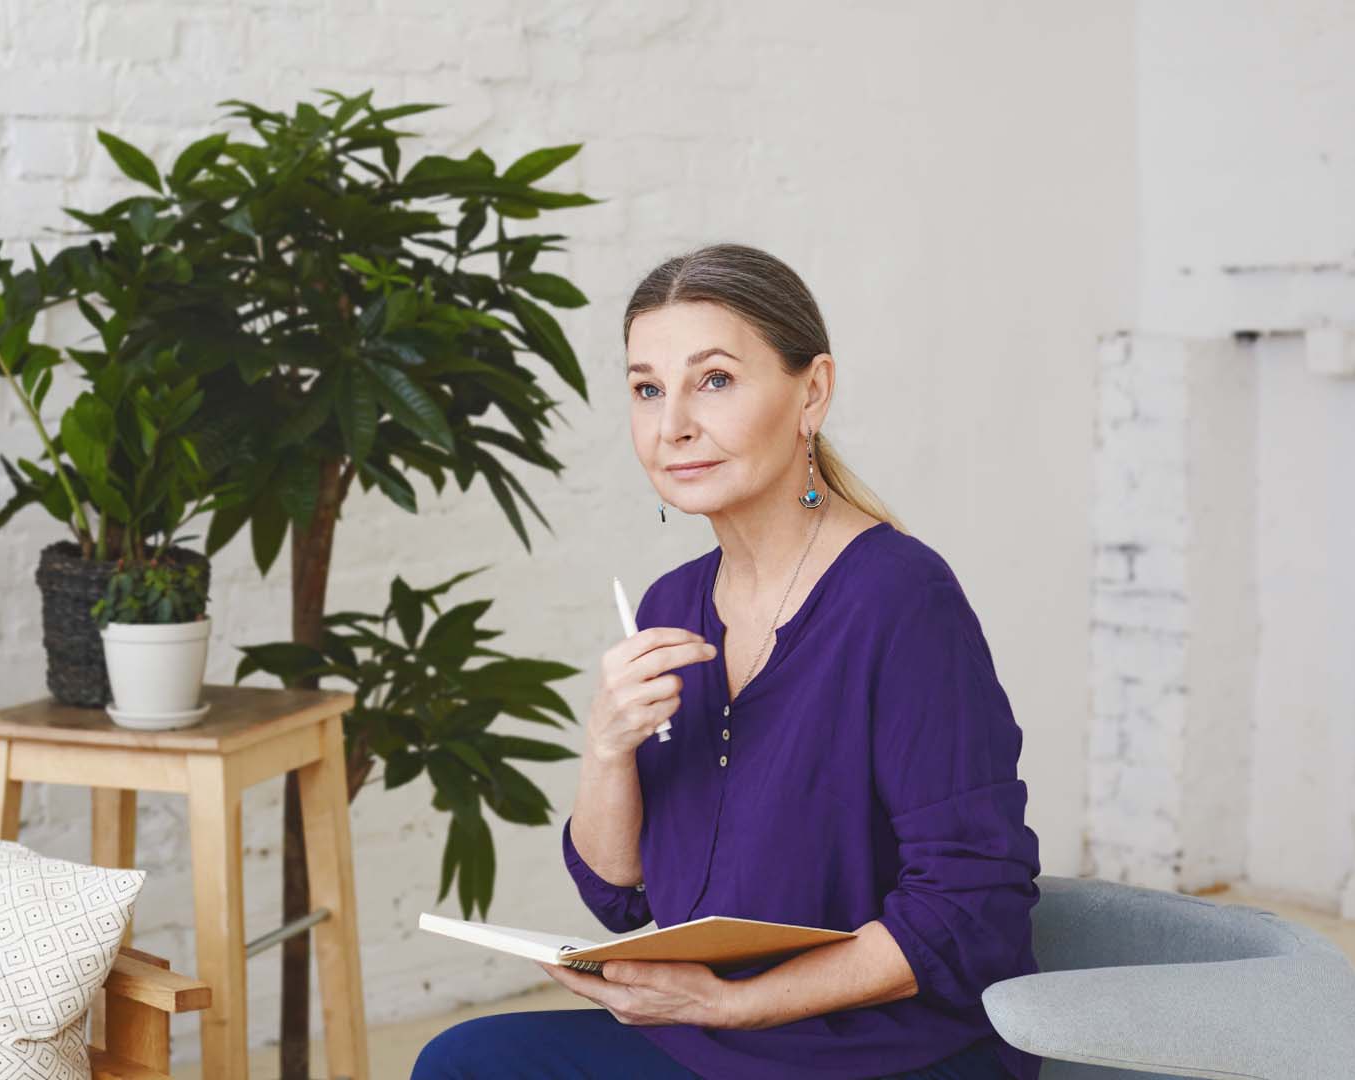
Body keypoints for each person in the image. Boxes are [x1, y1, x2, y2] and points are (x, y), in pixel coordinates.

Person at [412, 244, 1043, 1080]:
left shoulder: (901, 599)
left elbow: (970, 908)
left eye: (714, 380)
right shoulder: (671, 606)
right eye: (647, 389)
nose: (672, 424)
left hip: (887, 1050)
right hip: (717, 1042)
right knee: (463, 1061)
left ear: (811, 392)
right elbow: (621, 894)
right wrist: (605, 747)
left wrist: (733, 1003)